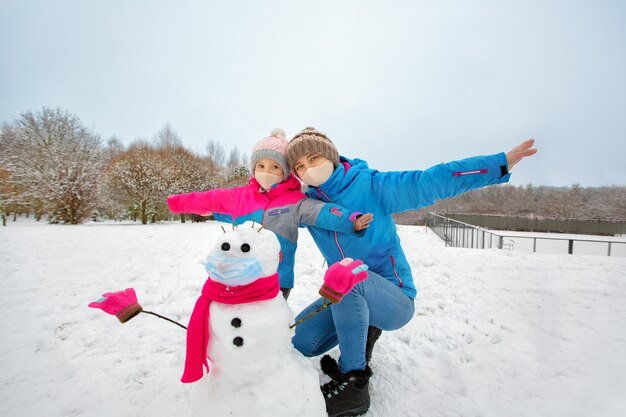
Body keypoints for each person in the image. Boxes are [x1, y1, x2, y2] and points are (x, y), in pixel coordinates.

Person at [286, 127, 537, 417]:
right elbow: (260, 206)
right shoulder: (308, 204)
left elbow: (431, 181)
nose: (308, 170)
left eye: (314, 158)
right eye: (300, 166)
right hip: (344, 294)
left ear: (331, 156)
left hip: (394, 299)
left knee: (347, 277)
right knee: (298, 342)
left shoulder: (371, 185)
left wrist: (498, 164)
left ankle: (353, 382)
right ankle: (362, 327)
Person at [167, 129, 373, 299]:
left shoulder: (294, 200)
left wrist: (351, 220)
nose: (266, 171)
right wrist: (176, 203)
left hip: (277, 278)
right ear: (253, 168)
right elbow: (206, 199)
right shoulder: (239, 196)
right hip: (237, 272)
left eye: (275, 167)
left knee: (267, 323)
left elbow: (322, 212)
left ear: (284, 172)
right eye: (261, 166)